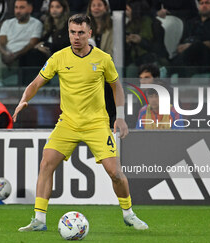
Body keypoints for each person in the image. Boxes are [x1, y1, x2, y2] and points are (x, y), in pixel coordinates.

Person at [13, 14, 148, 231]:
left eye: (81, 33)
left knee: (115, 173)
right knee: (46, 164)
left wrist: (120, 116)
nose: (76, 37)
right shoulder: (59, 57)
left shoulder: (103, 58)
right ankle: (39, 219)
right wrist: (23, 100)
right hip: (68, 123)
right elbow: (37, 82)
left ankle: (128, 213)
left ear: (90, 34)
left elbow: (117, 87)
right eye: (72, 32)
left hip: (96, 124)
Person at [170, 0, 210, 77]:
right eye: (201, 3)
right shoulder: (190, 22)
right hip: (189, 57)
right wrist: (181, 47)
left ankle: (169, 70)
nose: (204, 5)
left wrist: (189, 46)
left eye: (207, 3)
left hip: (207, 59)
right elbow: (181, 43)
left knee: (197, 46)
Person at [0, 0, 43, 85]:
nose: (18, 11)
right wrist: (5, 53)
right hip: (5, 57)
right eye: (16, 8)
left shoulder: (36, 24)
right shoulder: (7, 23)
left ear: (30, 9)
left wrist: (15, 55)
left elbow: (32, 44)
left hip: (22, 58)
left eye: (22, 8)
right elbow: (1, 43)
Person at [136, 64, 182, 129]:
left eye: (147, 78)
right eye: (140, 78)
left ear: (156, 78)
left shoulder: (170, 94)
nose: (142, 81)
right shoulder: (142, 98)